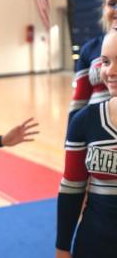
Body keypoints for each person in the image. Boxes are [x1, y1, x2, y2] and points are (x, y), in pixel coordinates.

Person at [55, 28, 117, 258]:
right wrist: (62, 247)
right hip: (94, 244)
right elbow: (71, 189)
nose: (110, 71)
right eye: (106, 61)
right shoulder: (86, 120)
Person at [67, 0, 117, 126]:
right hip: (97, 138)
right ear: (103, 8)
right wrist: (71, 140)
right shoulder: (90, 49)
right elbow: (78, 102)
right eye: (112, 3)